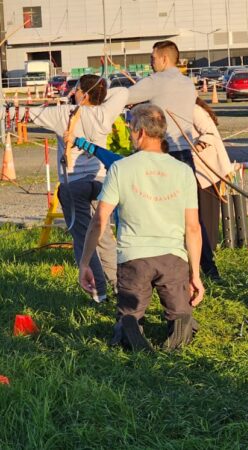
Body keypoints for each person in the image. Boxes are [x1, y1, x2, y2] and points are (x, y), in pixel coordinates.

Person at [78, 104, 204, 351]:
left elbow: (99, 219)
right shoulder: (183, 171)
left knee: (129, 312)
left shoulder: (121, 168)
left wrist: (85, 262)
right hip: (173, 256)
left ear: (141, 132)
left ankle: (130, 327)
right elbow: (193, 228)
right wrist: (195, 274)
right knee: (179, 309)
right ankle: (180, 323)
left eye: (131, 129)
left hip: (134, 256)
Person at [29, 75, 129, 302]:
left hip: (74, 185)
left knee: (84, 239)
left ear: (84, 93)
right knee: (103, 235)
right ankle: (120, 287)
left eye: (76, 89)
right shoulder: (104, 112)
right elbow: (122, 92)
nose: (73, 92)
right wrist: (100, 92)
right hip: (101, 181)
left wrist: (76, 99)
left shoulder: (64, 113)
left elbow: (27, 114)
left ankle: (99, 292)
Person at [127, 40, 220, 280]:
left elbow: (127, 96)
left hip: (161, 153)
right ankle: (209, 269)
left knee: (156, 210)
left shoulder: (157, 80)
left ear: (164, 58)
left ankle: (160, 265)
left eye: (153, 58)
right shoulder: (187, 82)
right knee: (192, 215)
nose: (151, 62)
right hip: (185, 154)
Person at [192, 97, 235, 252]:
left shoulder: (194, 109)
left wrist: (194, 149)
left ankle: (209, 250)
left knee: (207, 213)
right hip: (194, 169)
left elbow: (209, 134)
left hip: (207, 170)